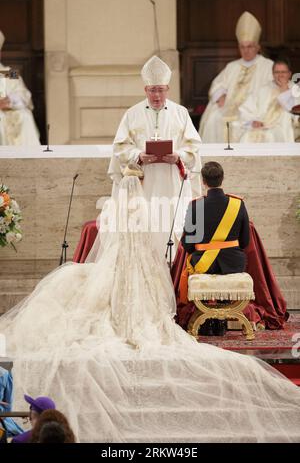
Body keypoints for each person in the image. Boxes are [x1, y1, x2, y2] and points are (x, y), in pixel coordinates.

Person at [0, 173, 300, 442]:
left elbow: (114, 235)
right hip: (193, 260)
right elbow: (229, 239)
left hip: (120, 260)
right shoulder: (165, 207)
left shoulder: (114, 209)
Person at [108, 55, 202, 257]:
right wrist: (138, 156)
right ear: (145, 90)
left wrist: (178, 156)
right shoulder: (132, 114)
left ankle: (174, 263)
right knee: (147, 226)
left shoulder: (181, 113)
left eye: (160, 90)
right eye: (152, 90)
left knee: (170, 222)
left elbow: (193, 145)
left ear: (167, 89)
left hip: (172, 180)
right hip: (144, 182)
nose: (156, 95)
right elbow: (120, 146)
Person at [180, 161, 250, 335]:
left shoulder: (196, 206)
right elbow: (245, 241)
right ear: (222, 178)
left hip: (205, 264)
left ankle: (207, 321)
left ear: (203, 181)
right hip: (234, 264)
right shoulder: (237, 204)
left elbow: (188, 244)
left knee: (198, 265)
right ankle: (222, 321)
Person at [199, 11, 273, 143]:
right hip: (229, 106)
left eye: (249, 46)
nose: (246, 50)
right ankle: (216, 159)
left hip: (252, 109)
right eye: (242, 47)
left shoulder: (267, 66)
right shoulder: (232, 66)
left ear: (258, 47)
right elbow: (218, 84)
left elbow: (271, 89)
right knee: (213, 118)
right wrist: (220, 95)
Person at [239, 58, 300, 142]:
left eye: (283, 72)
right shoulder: (262, 90)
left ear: (289, 74)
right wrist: (253, 121)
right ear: (272, 74)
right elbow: (246, 109)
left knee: (269, 136)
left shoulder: (296, 90)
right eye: (277, 72)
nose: (280, 75)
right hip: (261, 125)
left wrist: (285, 90)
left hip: (283, 128)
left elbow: (295, 115)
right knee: (247, 136)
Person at [0, 30, 40, 146]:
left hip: (6, 110)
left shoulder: (9, 73)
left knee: (24, 116)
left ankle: (25, 162)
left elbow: (24, 95)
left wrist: (8, 101)